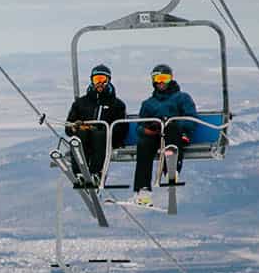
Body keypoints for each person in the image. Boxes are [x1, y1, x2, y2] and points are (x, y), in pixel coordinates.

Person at [132, 63, 199, 207]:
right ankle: (143, 189)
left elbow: (191, 119)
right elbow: (139, 126)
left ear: (171, 79)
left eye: (165, 78)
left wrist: (172, 123)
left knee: (171, 127)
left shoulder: (182, 98)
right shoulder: (148, 104)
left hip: (175, 135)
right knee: (144, 144)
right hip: (156, 136)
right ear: (153, 81)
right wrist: (146, 130)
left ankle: (171, 170)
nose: (161, 82)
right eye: (158, 79)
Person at [64, 63, 127, 185]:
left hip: (106, 138)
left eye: (103, 79)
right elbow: (69, 127)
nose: (100, 83)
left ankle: (96, 172)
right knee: (80, 135)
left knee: (99, 135)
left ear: (108, 81)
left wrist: (102, 130)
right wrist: (74, 128)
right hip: (85, 138)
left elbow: (121, 129)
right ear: (92, 81)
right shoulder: (81, 103)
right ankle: (79, 172)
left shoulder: (117, 104)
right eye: (96, 79)